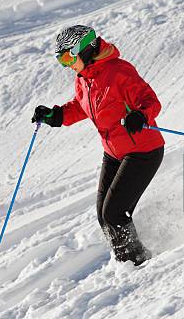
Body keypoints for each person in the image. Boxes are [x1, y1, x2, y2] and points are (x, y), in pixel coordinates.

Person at [31, 25, 165, 266]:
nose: (66, 64)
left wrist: (140, 116)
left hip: (142, 152)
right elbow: (80, 106)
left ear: (83, 50)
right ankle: (129, 260)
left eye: (67, 57)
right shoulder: (84, 80)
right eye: (60, 60)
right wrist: (55, 116)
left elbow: (151, 101)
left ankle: (137, 263)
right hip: (114, 153)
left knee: (114, 214)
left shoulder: (119, 72)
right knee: (104, 216)